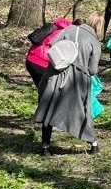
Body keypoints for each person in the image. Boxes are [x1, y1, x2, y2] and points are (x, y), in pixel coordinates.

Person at [33, 14, 103, 156]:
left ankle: (45, 147)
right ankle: (93, 144)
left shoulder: (66, 31)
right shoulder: (94, 41)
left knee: (50, 109)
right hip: (77, 81)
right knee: (82, 112)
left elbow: (52, 44)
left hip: (55, 74)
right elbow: (93, 70)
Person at [25, 17, 72, 86]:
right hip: (43, 64)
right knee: (47, 91)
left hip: (30, 59)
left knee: (41, 88)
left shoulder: (53, 27)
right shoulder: (67, 34)